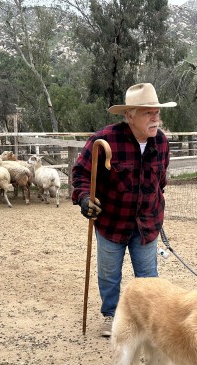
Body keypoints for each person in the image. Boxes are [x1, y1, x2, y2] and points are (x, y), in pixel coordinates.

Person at [71, 83, 176, 337]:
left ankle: (150, 320)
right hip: (112, 223)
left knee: (149, 277)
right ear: (129, 115)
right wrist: (85, 199)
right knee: (109, 274)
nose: (155, 118)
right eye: (147, 112)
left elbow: (160, 182)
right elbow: (80, 174)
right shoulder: (103, 140)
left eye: (157, 112)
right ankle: (111, 315)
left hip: (147, 223)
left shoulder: (161, 142)